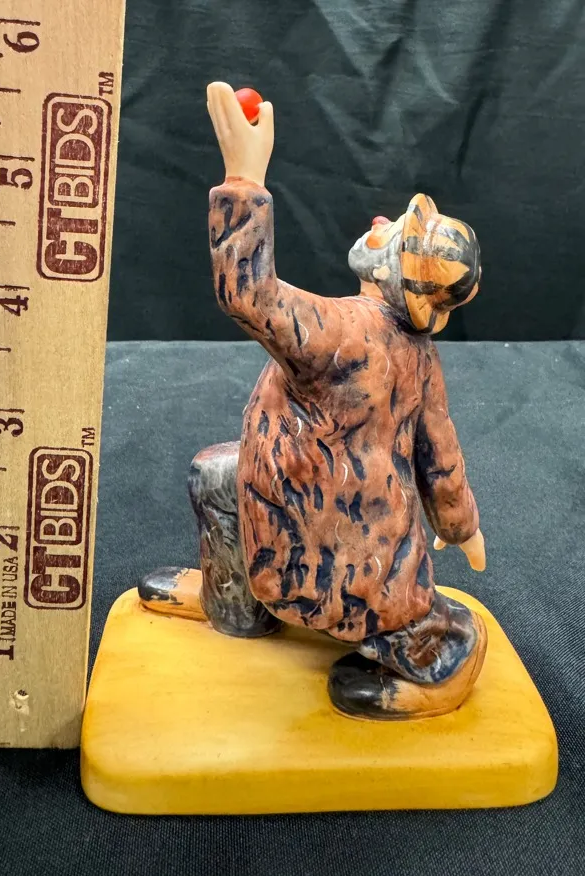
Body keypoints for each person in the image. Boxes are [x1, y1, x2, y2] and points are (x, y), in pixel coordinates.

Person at [139, 82, 487, 720]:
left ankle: (440, 663)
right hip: (294, 486)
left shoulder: (344, 331)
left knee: (386, 607)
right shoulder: (415, 349)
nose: (380, 222)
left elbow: (251, 297)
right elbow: (441, 455)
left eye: (395, 234)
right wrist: (462, 525)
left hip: (343, 524)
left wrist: (243, 180)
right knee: (217, 475)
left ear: (398, 273)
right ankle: (234, 605)